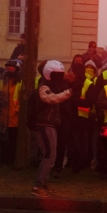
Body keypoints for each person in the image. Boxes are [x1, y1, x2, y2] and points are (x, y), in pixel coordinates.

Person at [31, 60, 81, 197]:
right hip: (44, 125)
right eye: (57, 74)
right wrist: (70, 91)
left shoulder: (51, 84)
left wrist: (70, 81)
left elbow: (59, 86)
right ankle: (38, 186)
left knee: (51, 157)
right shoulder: (44, 87)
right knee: (49, 157)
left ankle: (43, 183)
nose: (59, 77)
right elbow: (52, 99)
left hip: (50, 124)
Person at [0, 59, 23, 166]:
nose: (9, 69)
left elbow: (21, 99)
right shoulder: (3, 81)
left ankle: (11, 159)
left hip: (14, 117)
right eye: (8, 67)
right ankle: (4, 158)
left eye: (11, 67)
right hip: (3, 115)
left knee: (13, 140)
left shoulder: (21, 82)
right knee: (3, 140)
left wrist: (17, 110)